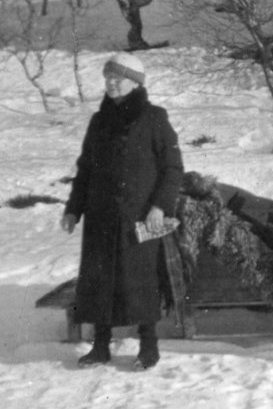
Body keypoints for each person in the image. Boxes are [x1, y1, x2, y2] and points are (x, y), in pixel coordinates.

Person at [60, 53, 183, 370]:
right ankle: (100, 346)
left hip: (139, 217)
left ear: (135, 82)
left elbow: (173, 168)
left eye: (118, 78)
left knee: (139, 280)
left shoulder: (154, 117)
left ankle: (149, 347)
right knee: (100, 280)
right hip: (101, 216)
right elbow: (85, 168)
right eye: (108, 77)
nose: (111, 83)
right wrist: (74, 209)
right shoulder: (99, 121)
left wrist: (160, 206)